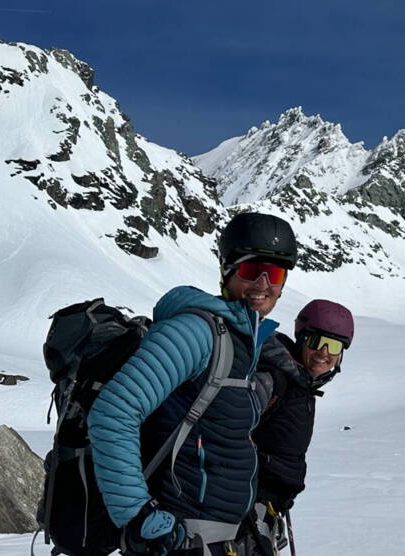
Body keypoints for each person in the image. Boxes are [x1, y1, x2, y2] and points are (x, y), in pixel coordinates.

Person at [86, 212, 295, 556]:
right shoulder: (195, 332)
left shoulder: (245, 342)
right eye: (249, 270)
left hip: (223, 538)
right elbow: (113, 411)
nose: (262, 284)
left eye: (273, 273)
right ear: (226, 271)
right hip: (179, 539)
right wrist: (138, 516)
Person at [241, 298, 354, 556]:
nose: (324, 352)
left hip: (265, 509)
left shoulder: (301, 386)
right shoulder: (273, 379)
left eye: (334, 345)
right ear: (302, 339)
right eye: (316, 341)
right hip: (244, 510)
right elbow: (227, 429)